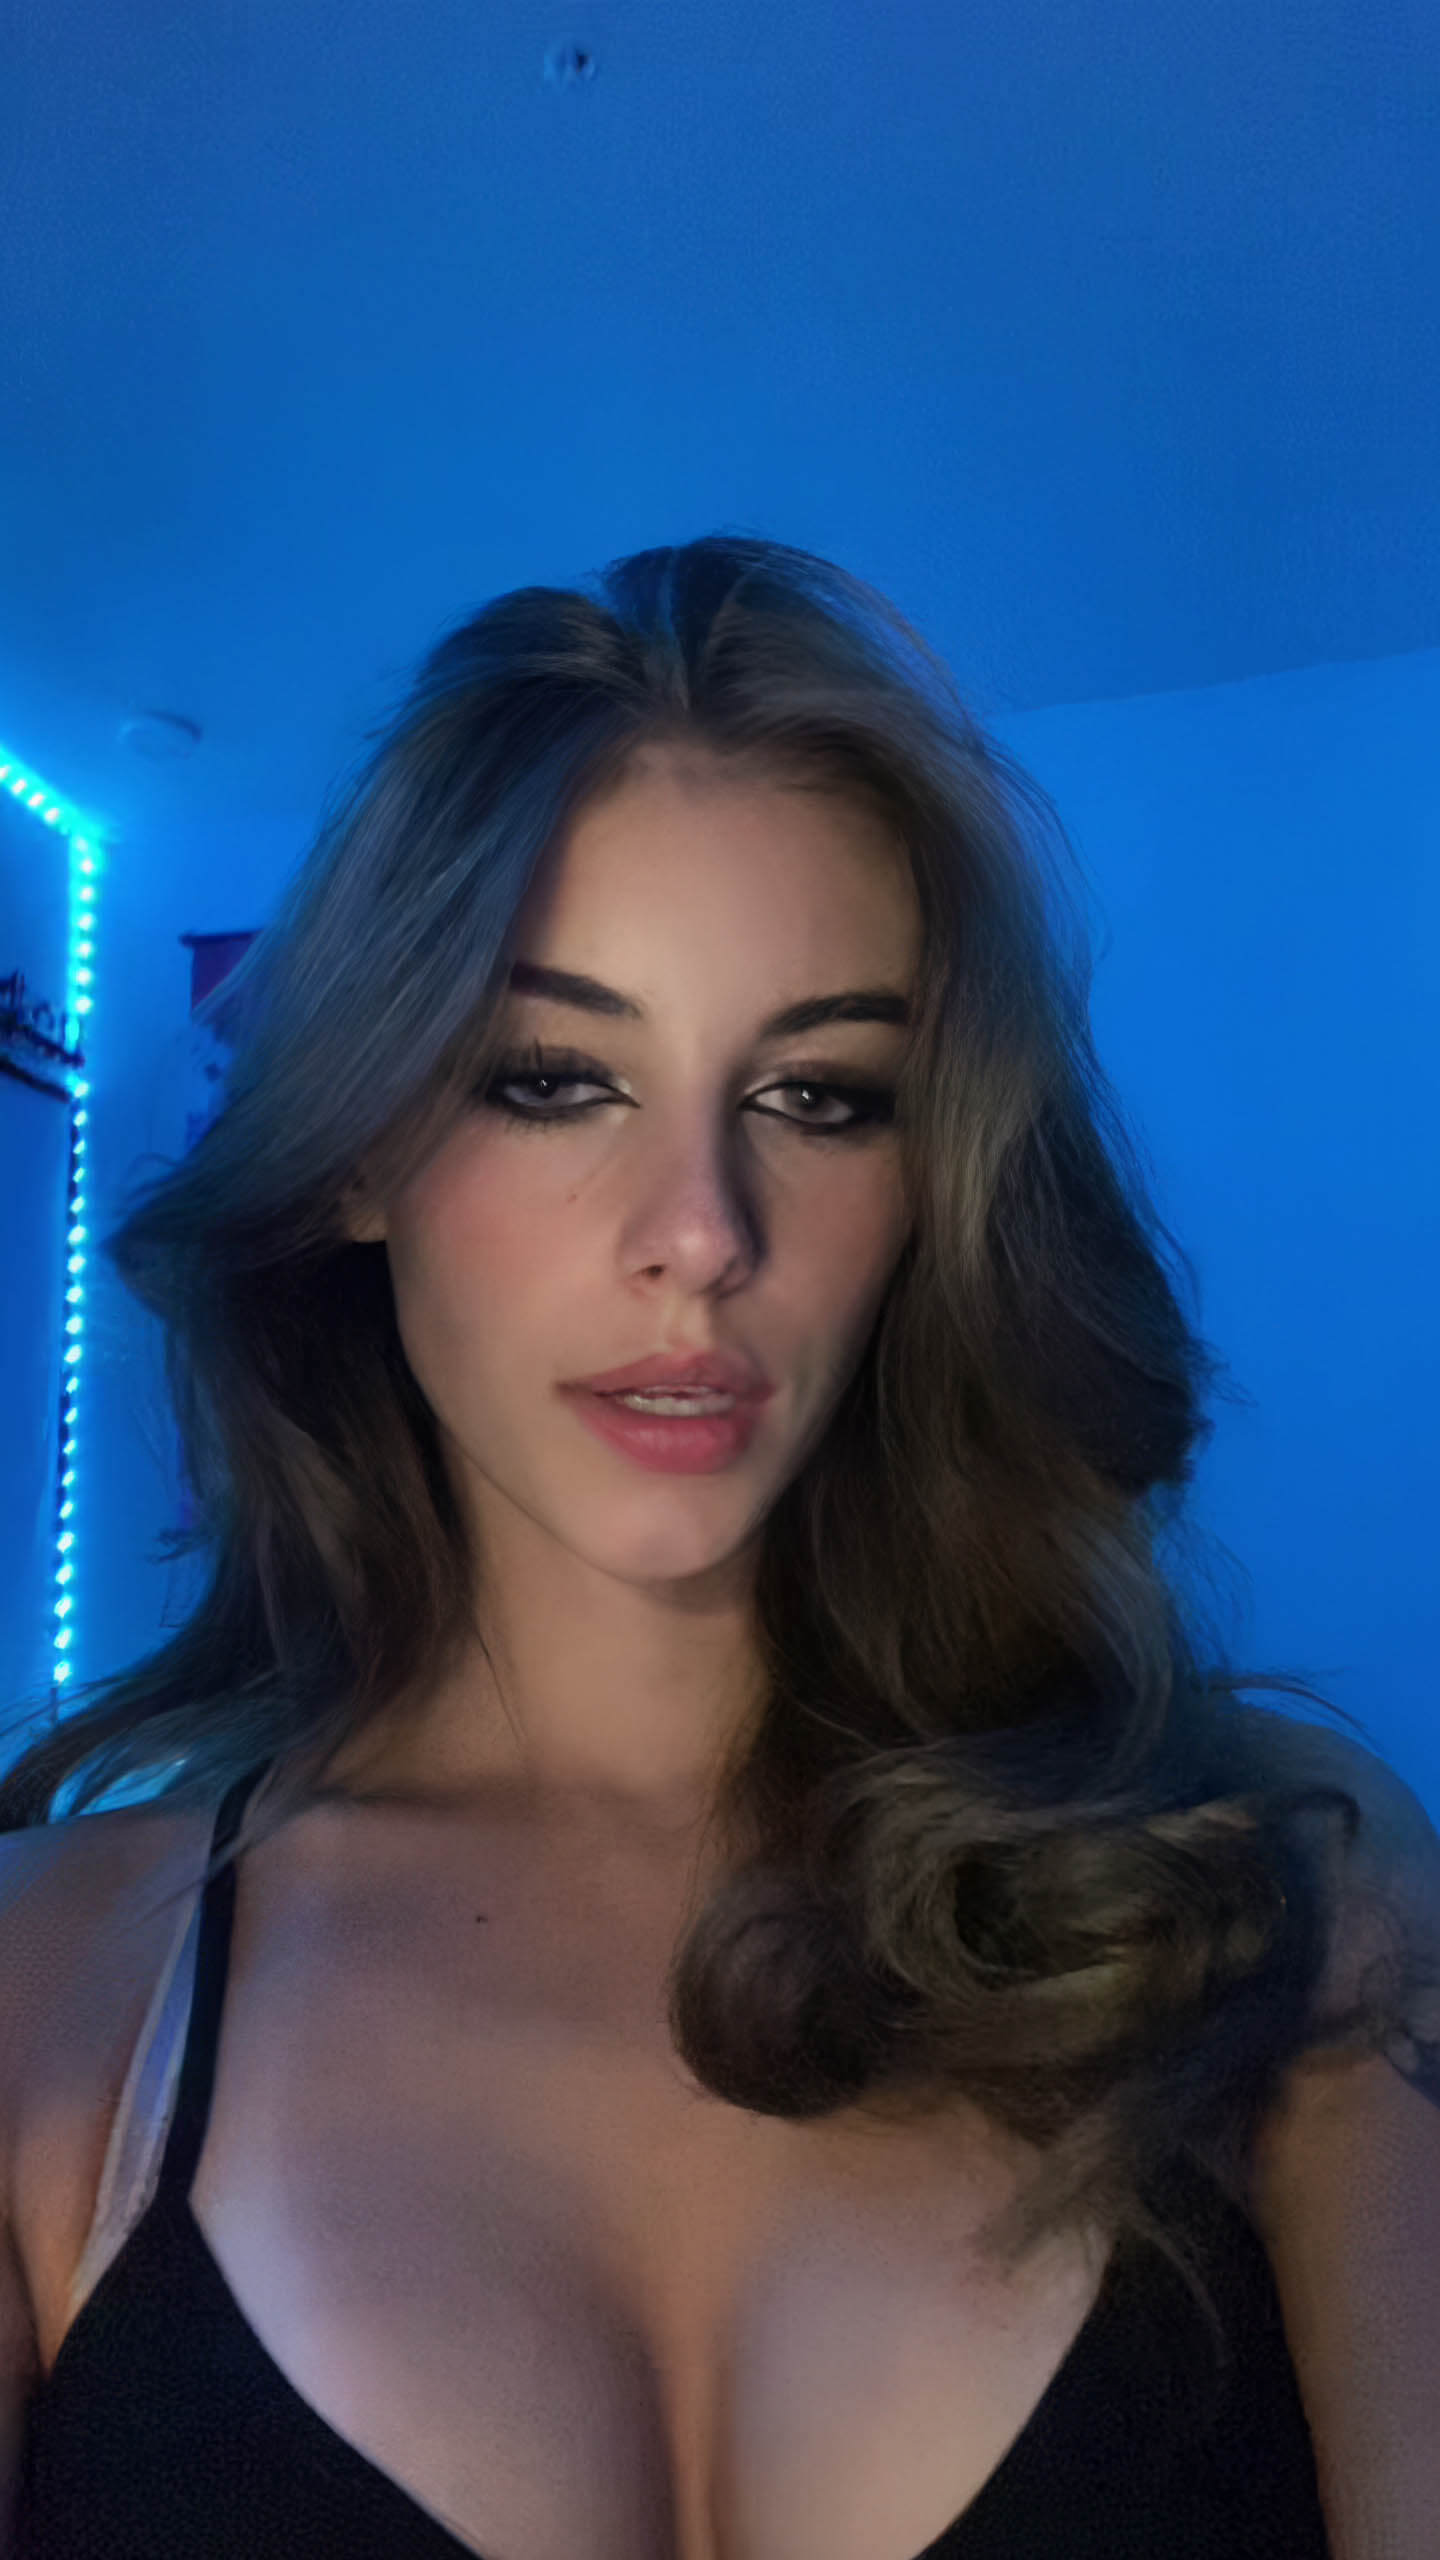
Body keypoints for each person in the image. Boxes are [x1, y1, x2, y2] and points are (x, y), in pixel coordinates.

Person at [1, 535, 1437, 2559]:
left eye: (820, 1095)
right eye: (554, 1077)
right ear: (358, 1157)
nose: (700, 1230)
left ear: (933, 1189)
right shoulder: (52, 1984)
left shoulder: (1276, 1892)